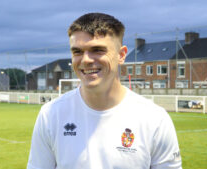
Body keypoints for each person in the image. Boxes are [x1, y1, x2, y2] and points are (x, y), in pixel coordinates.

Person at [27, 12, 182, 169]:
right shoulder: (51, 114)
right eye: (77, 51)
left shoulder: (155, 119)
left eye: (97, 50)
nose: (86, 59)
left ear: (121, 55)